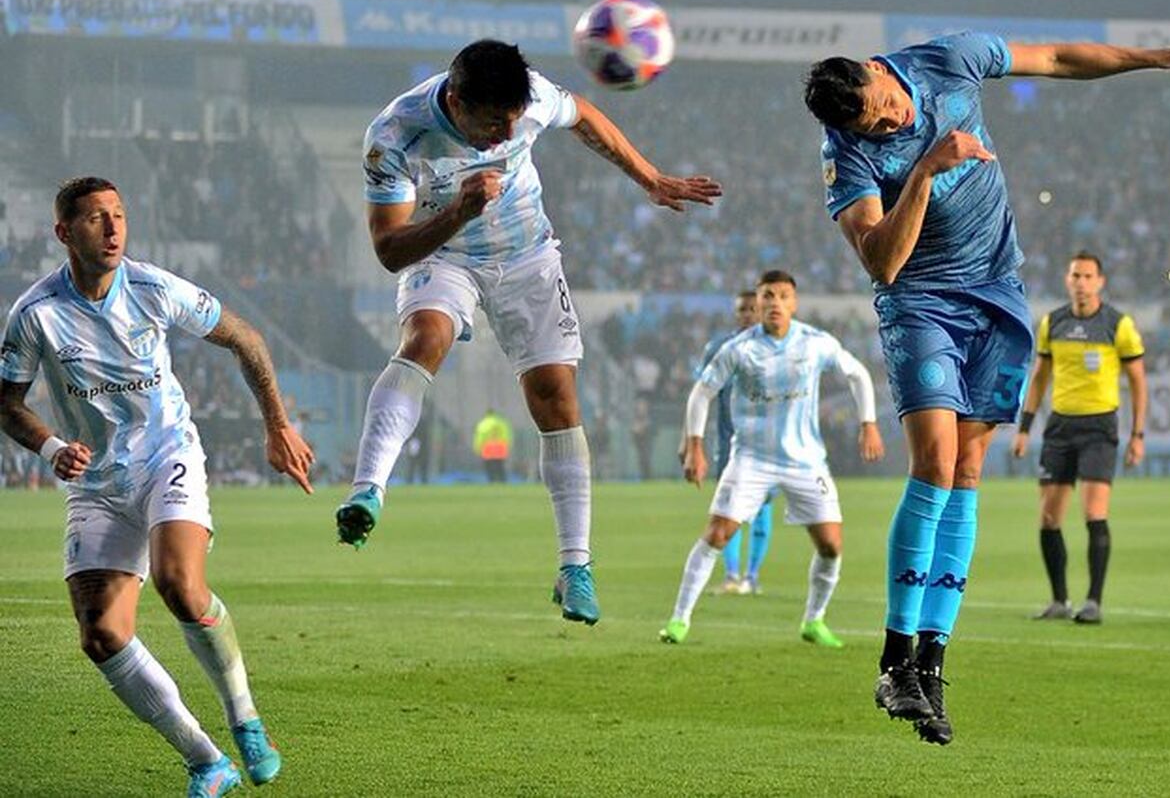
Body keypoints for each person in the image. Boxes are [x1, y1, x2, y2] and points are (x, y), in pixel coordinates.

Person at [805, 28, 1170, 744]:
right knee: (934, 462)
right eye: (872, 128)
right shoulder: (845, 153)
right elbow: (881, 263)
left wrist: (1162, 57)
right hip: (923, 303)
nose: (885, 126)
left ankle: (931, 667)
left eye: (881, 112)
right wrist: (928, 171)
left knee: (969, 470)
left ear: (878, 71)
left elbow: (1058, 59)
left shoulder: (948, 58)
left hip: (996, 295)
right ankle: (892, 659)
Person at [336, 39, 721, 628]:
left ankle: (575, 566)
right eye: (492, 124)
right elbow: (390, 249)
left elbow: (585, 114)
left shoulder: (531, 96)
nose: (503, 135)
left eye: (512, 123)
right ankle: (368, 489)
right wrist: (457, 214)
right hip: (444, 254)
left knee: (556, 396)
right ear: (457, 102)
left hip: (528, 258)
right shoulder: (395, 135)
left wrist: (648, 177)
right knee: (424, 339)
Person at [0, 177, 314, 796]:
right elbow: (6, 400)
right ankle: (205, 759)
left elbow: (245, 339)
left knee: (178, 583)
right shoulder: (35, 314)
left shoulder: (153, 287)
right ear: (65, 233)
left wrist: (277, 423)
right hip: (97, 482)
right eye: (96, 218)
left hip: (167, 455)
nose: (113, 228)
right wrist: (52, 446)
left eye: (119, 214)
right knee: (102, 634)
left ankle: (245, 718)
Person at [660, 270, 884, 647]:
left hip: (805, 461)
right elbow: (701, 393)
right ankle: (679, 620)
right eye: (768, 296)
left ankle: (814, 621)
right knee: (717, 534)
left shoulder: (815, 343)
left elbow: (858, 373)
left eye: (782, 296)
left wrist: (869, 423)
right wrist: (695, 444)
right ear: (759, 304)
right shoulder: (739, 349)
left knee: (831, 545)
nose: (774, 303)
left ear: (794, 303)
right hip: (752, 459)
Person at [1014, 252, 1146, 624]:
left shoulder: (1118, 325)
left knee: (1093, 512)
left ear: (1100, 281)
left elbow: (1138, 382)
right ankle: (1059, 601)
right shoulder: (1052, 323)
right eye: (1076, 275)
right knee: (1049, 517)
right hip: (1059, 427)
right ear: (1067, 280)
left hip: (1099, 427)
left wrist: (1138, 434)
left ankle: (1093, 602)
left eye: (1088, 276)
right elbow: (1039, 377)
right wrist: (1024, 427)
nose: (1082, 283)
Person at [689, 290, 776, 595]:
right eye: (742, 310)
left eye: (753, 309)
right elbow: (701, 395)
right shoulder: (718, 348)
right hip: (730, 444)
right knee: (729, 510)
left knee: (763, 510)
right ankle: (731, 575)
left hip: (768, 445)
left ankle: (752, 576)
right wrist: (690, 440)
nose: (748, 315)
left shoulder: (779, 348)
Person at [473, 407, 513, 483]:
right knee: (500, 466)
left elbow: (479, 438)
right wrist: (508, 446)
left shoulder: (483, 424)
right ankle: (502, 481)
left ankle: (491, 481)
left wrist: (477, 449)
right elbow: (508, 435)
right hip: (500, 448)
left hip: (488, 449)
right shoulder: (501, 422)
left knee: (489, 467)